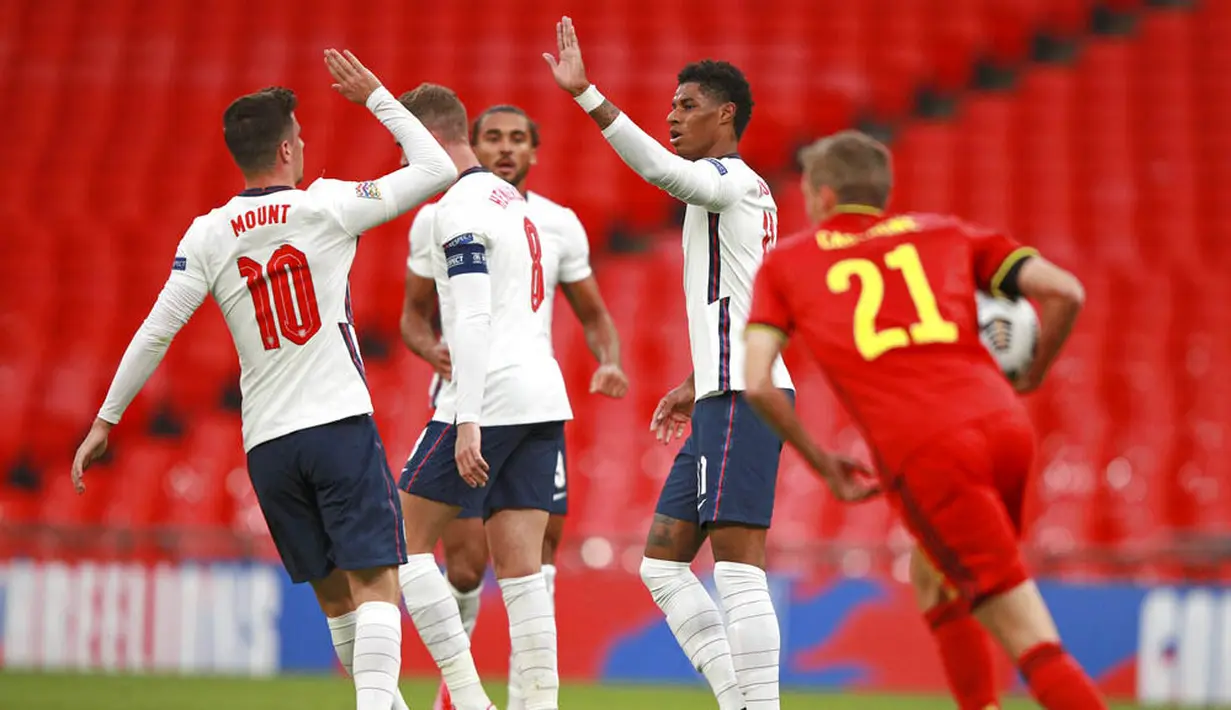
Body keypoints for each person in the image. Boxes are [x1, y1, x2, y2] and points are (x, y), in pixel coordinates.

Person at [69, 50, 459, 710]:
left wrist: (107, 419)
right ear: (285, 150)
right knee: (375, 588)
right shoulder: (329, 205)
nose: (304, 149)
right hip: (335, 422)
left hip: (268, 447)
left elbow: (155, 331)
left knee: (337, 602)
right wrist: (376, 98)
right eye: (300, 140)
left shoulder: (208, 233)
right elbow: (438, 169)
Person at [742, 130, 1104, 710]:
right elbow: (1065, 291)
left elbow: (758, 381)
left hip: (931, 452)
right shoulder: (948, 233)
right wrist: (1032, 374)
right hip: (1006, 427)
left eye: (808, 191)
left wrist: (822, 464)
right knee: (933, 574)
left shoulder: (788, 262)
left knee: (1027, 636)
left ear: (825, 196)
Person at [545, 17, 794, 710]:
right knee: (662, 562)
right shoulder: (746, 193)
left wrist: (587, 94)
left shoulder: (728, 181)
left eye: (685, 105)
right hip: (727, 387)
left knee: (738, 568)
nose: (670, 115)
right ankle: (735, 698)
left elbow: (659, 170)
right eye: (670, 104)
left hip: (745, 393)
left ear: (725, 115)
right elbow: (751, 301)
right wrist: (695, 378)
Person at [400, 103, 628, 710]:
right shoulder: (507, 213)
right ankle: (530, 703)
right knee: (494, 566)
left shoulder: (479, 210)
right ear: (474, 143)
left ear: (534, 150)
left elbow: (485, 316)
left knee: (405, 543)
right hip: (535, 393)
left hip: (486, 396)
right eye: (493, 137)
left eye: (517, 139)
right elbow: (415, 317)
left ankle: (465, 700)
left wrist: (609, 358)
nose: (505, 149)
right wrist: (434, 351)